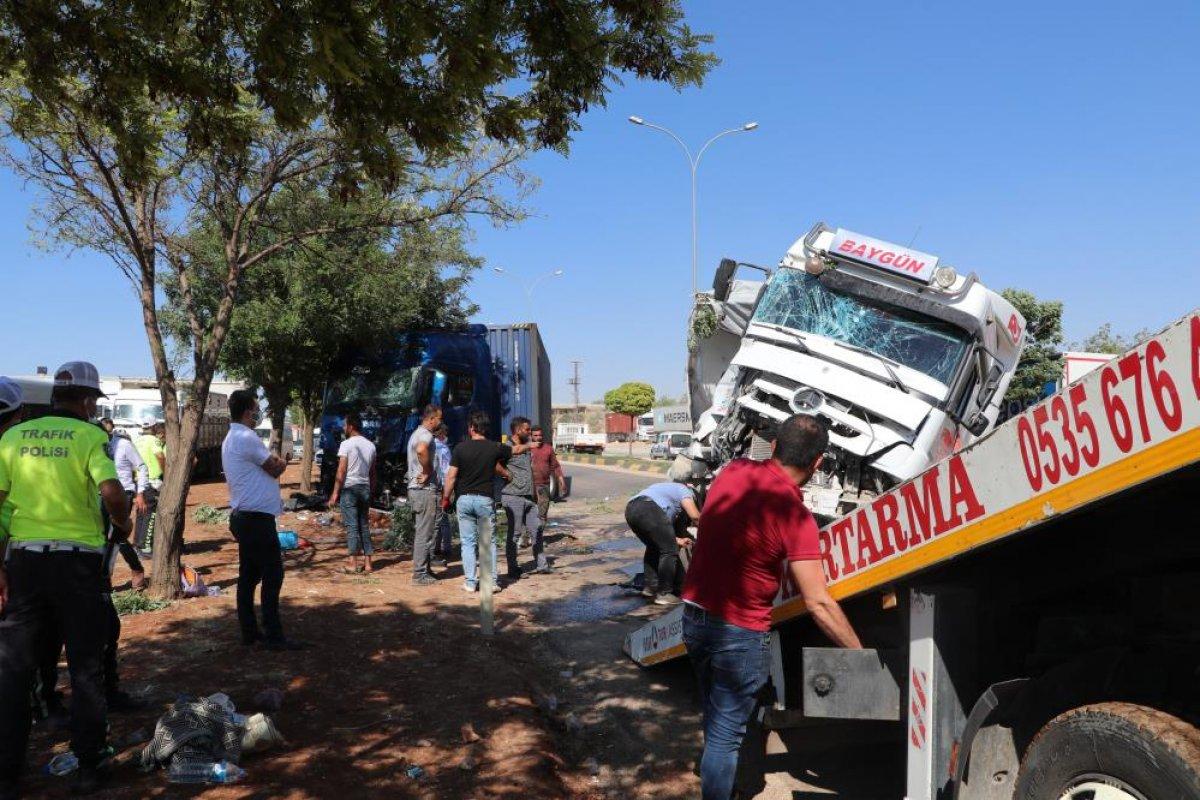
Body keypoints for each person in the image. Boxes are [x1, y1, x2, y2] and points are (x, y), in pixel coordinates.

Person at [682, 414, 862, 800]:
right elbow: (817, 601)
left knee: (716, 716)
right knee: (726, 736)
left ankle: (731, 779)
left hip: (694, 615)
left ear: (775, 446)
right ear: (817, 464)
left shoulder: (732, 471)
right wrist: (859, 655)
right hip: (739, 632)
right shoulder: (794, 516)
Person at [0, 361, 133, 796]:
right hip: (77, 567)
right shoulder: (92, 436)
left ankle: (7, 771)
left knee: (14, 670)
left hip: (25, 564)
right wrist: (123, 522)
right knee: (85, 666)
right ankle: (91, 765)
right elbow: (112, 491)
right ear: (89, 400)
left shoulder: (13, 437)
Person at [221, 389, 303, 651]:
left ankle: (250, 632)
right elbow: (275, 467)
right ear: (248, 412)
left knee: (249, 576)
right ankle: (273, 634)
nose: (258, 413)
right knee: (272, 573)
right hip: (255, 519)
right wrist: (283, 462)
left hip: (246, 517)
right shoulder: (246, 436)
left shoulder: (232, 437)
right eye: (256, 409)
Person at [441, 410, 532, 593]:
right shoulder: (494, 447)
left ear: (472, 428)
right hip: (484, 500)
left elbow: (451, 477)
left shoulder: (460, 448)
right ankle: (490, 582)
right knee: (487, 542)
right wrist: (532, 445)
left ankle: (470, 582)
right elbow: (515, 450)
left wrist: (445, 498)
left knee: (468, 542)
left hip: (464, 500)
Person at [625, 480, 701, 605]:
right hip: (648, 509)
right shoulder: (685, 491)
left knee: (654, 547)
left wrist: (679, 540)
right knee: (669, 551)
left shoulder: (664, 490)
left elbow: (662, 534)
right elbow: (695, 517)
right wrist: (708, 532)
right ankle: (664, 594)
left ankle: (650, 588)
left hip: (631, 510)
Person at [99, 418, 149, 590]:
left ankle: (136, 570)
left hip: (123, 494)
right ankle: (103, 577)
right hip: (101, 495)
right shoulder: (96, 447)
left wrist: (140, 491)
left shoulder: (123, 445)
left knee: (117, 537)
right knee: (102, 537)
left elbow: (142, 466)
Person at [500, 417, 550, 577]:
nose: (529, 433)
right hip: (513, 496)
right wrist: (505, 474)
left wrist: (534, 493)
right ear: (517, 430)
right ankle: (513, 569)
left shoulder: (526, 448)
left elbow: (528, 471)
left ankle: (542, 565)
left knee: (537, 529)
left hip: (529, 496)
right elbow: (496, 464)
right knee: (514, 534)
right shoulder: (507, 447)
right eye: (527, 430)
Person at [328, 412, 377, 574]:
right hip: (365, 489)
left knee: (352, 526)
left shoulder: (346, 445)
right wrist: (372, 491)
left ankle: (352, 563)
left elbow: (341, 471)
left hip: (350, 489)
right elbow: (373, 473)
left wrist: (335, 493)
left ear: (350, 426)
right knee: (364, 525)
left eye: (344, 425)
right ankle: (368, 564)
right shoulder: (371, 446)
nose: (343, 428)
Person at [406, 405, 443, 585]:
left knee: (424, 532)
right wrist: (428, 471)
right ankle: (419, 574)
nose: (440, 422)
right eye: (439, 419)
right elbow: (421, 450)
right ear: (431, 419)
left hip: (417, 490)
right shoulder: (426, 435)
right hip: (424, 490)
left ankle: (425, 570)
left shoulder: (416, 433)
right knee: (424, 533)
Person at [528, 425, 566, 549]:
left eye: (540, 435)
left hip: (544, 486)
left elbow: (555, 466)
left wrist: (561, 480)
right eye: (535, 435)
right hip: (528, 487)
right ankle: (526, 537)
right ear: (531, 436)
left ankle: (538, 538)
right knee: (527, 513)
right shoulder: (526, 449)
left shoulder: (548, 449)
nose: (538, 437)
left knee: (542, 514)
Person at [133, 421, 164, 555]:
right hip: (151, 481)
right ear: (153, 427)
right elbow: (160, 456)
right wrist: (167, 472)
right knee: (150, 514)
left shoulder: (137, 440)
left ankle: (137, 544)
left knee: (141, 513)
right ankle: (146, 547)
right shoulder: (153, 440)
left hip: (139, 481)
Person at [431, 423, 453, 567]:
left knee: (437, 519)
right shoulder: (441, 448)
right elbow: (444, 469)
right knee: (443, 518)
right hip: (442, 485)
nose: (446, 436)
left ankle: (438, 547)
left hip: (438, 484)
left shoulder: (434, 446)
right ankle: (446, 548)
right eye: (445, 433)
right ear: (440, 434)